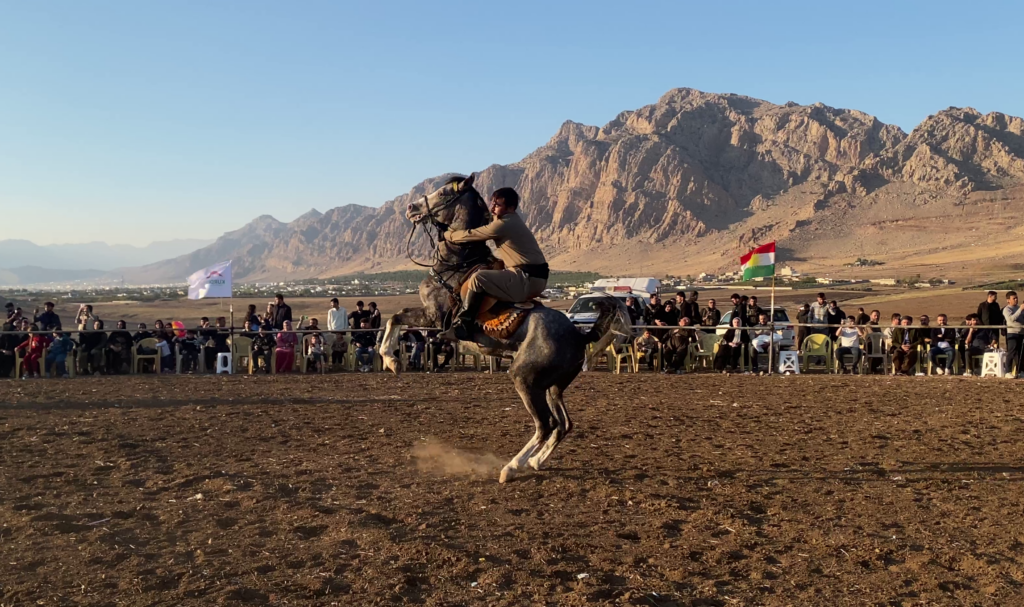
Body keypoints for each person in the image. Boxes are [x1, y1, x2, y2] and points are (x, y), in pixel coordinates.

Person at [439, 186, 548, 341]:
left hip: (526, 279)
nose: (492, 207)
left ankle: (464, 324)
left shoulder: (504, 224)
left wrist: (447, 234)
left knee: (478, 278)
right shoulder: (507, 220)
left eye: (497, 205)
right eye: (492, 203)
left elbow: (471, 235)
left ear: (510, 208)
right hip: (530, 276)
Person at [1003, 291, 1023, 378]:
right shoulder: (1007, 309)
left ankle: (1020, 371)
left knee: (1021, 353)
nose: (1016, 300)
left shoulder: (1019, 308)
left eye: (1016, 298)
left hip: (1021, 332)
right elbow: (1011, 319)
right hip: (1012, 333)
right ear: (1008, 300)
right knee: (1011, 352)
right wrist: (1020, 310)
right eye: (1014, 298)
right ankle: (1007, 371)